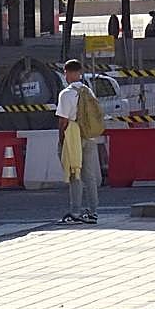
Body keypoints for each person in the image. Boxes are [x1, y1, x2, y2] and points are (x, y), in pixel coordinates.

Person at [55, 59, 102, 225]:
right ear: (80, 72)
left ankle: (75, 211)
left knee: (74, 172)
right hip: (89, 135)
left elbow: (63, 120)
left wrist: (61, 140)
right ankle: (93, 211)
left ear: (67, 72)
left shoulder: (66, 94)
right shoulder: (88, 91)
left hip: (74, 136)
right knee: (89, 175)